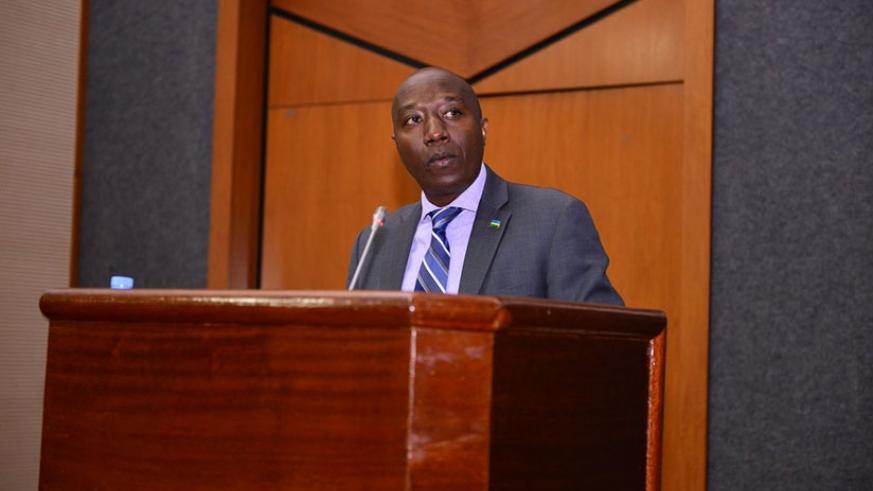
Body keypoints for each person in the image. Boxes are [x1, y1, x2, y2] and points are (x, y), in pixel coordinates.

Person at [347, 67, 622, 306]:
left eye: (452, 113)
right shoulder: (374, 243)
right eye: (413, 120)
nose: (434, 133)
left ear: (482, 129)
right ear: (397, 144)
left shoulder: (552, 220)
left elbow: (603, 344)